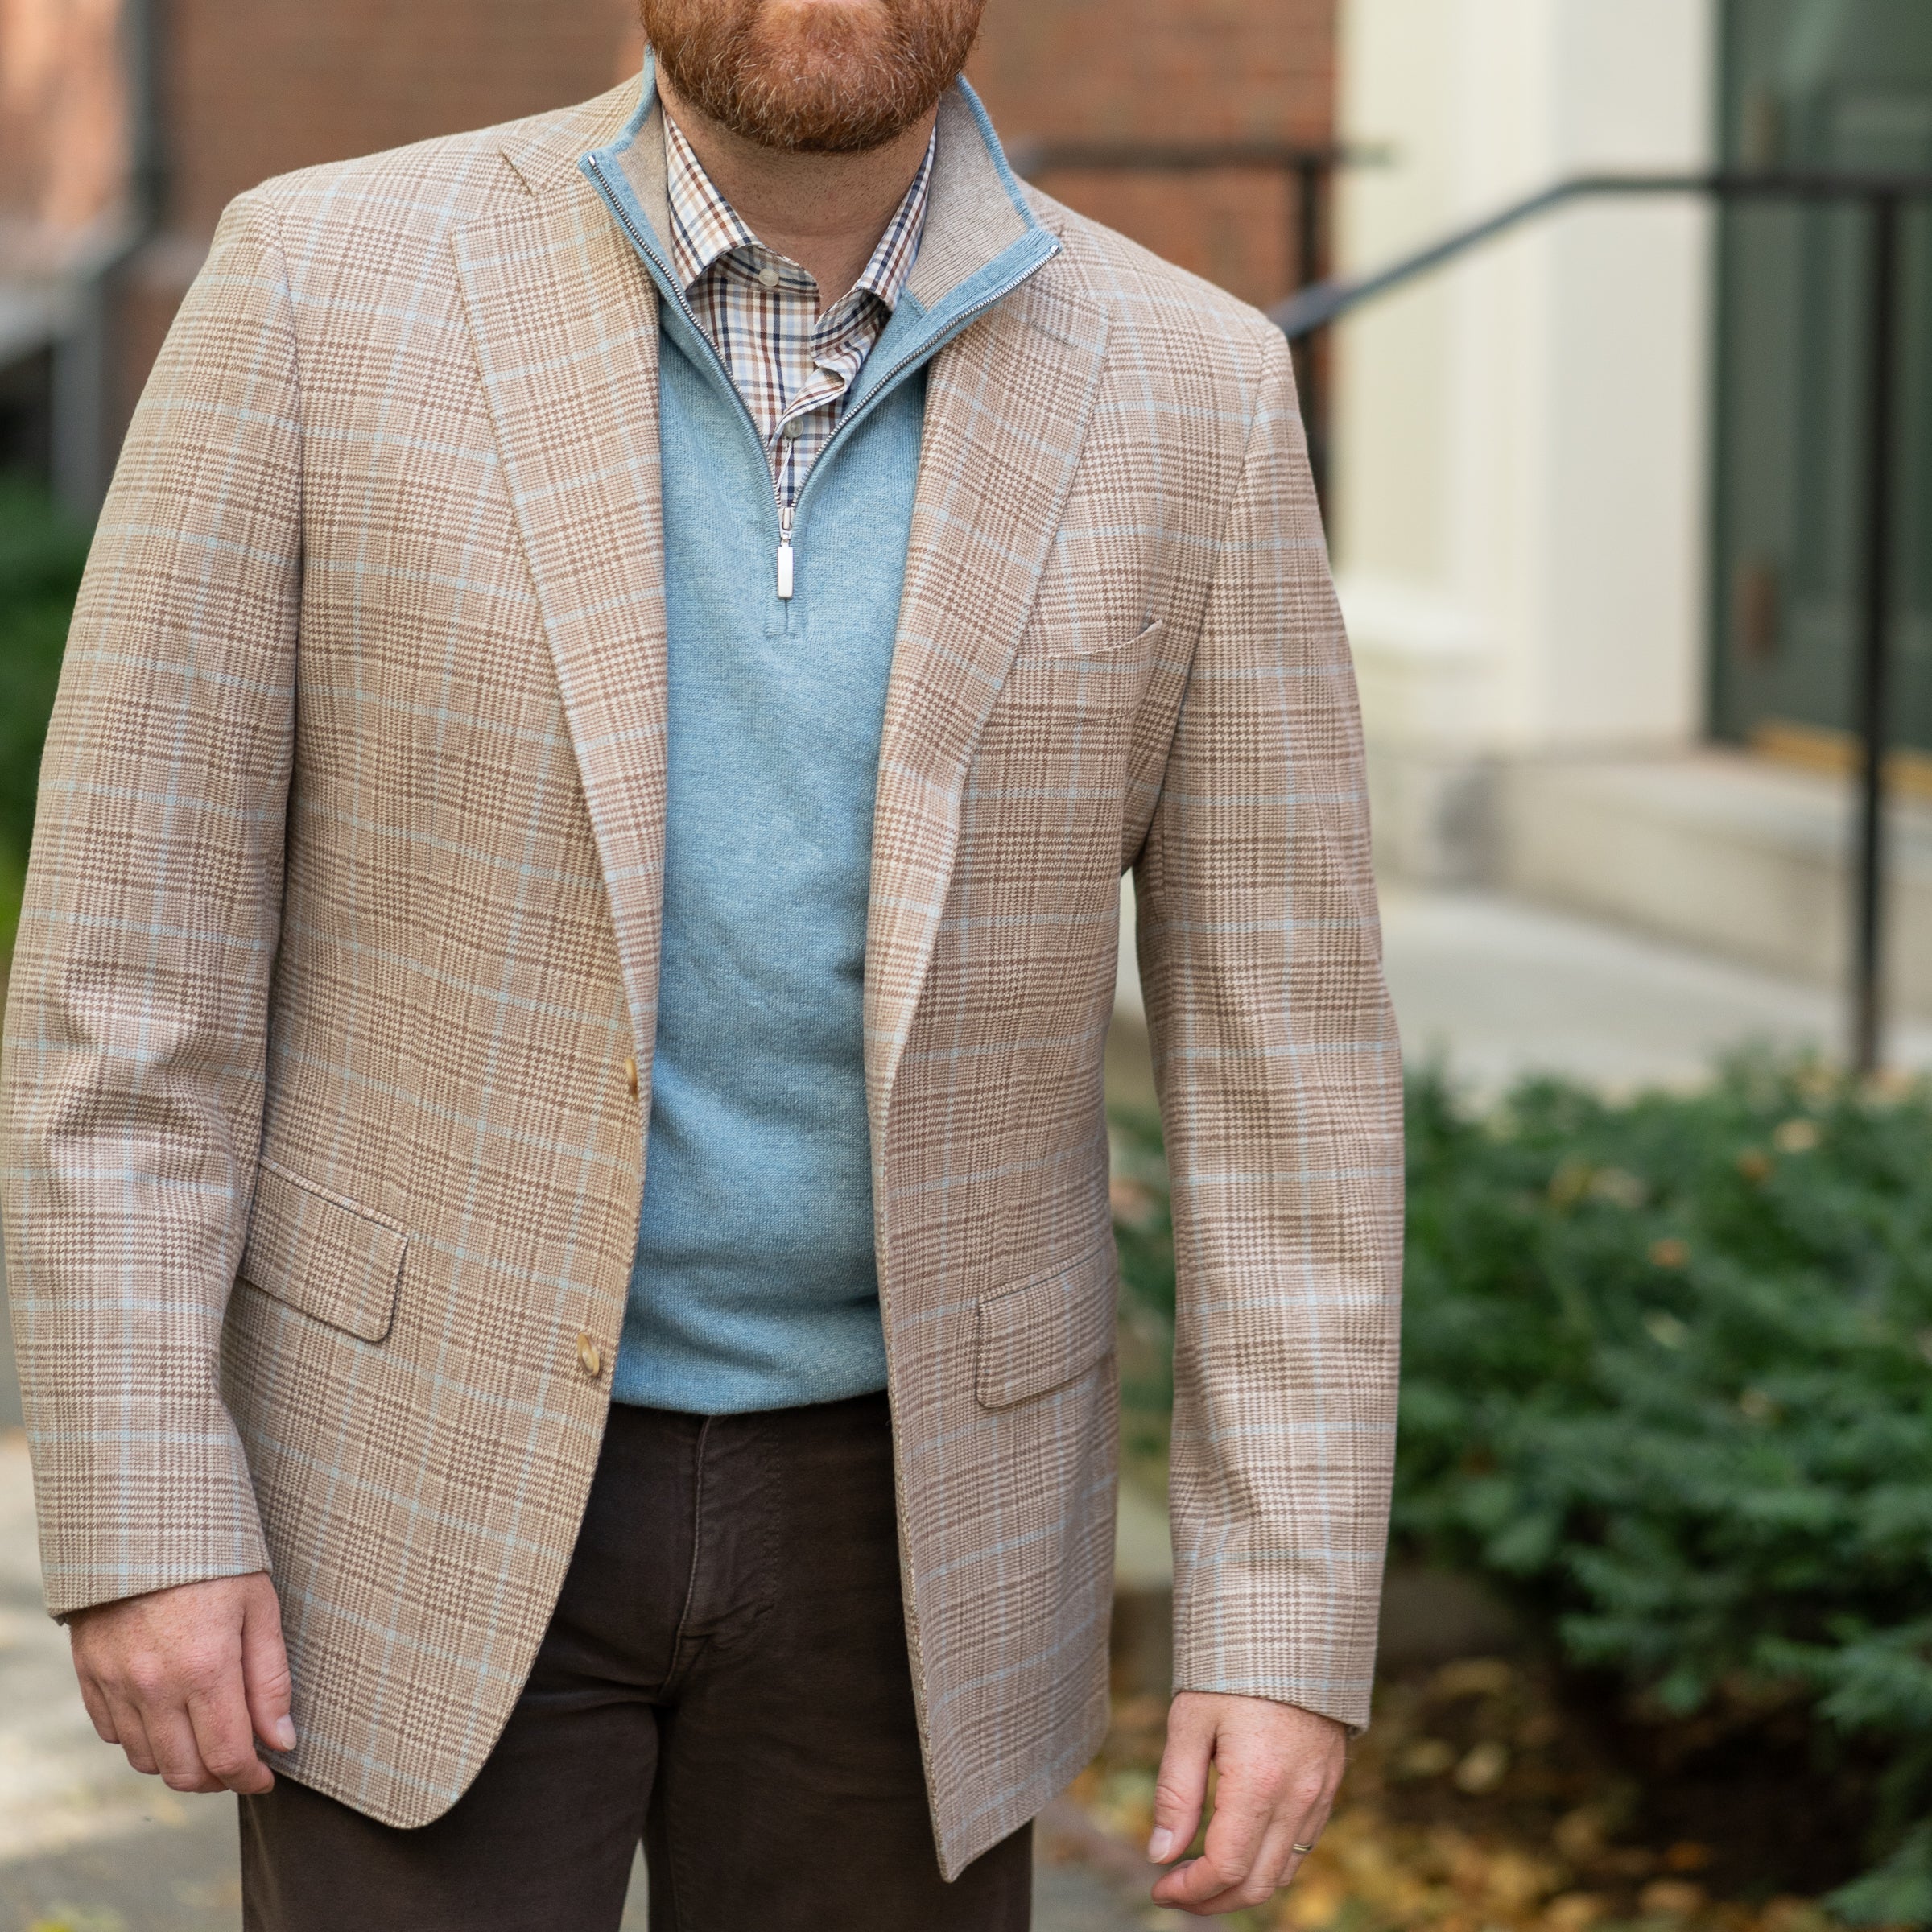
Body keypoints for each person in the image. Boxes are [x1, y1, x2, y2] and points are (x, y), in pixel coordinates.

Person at [0, 0, 1404, 1925]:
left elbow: (1290, 1081)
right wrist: (147, 1509)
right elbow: (128, 970)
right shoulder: (319, 285)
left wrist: (1280, 1625)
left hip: (924, 1542)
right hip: (397, 1488)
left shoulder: (1196, 384)